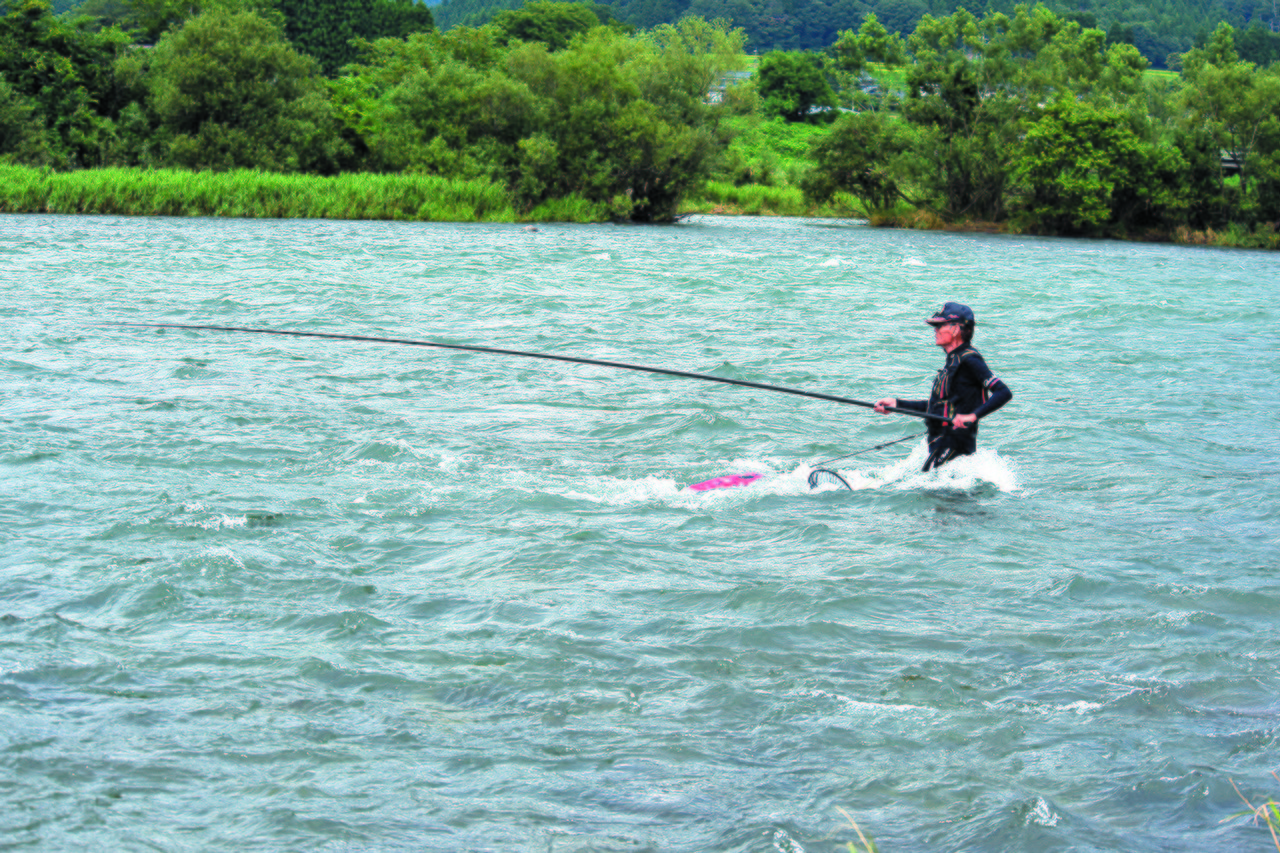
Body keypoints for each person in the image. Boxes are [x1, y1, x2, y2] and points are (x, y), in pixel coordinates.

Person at [874, 302, 1012, 471]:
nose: (935, 330)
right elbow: (937, 407)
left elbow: (1003, 392)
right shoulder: (953, 362)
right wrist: (897, 404)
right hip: (942, 447)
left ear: (955, 329)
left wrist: (972, 416)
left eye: (939, 326)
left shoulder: (970, 360)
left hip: (955, 449)